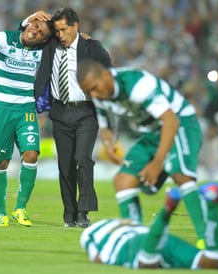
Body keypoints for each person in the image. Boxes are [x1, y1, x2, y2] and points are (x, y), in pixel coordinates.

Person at [77, 60, 206, 248]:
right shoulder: (99, 94)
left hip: (180, 124)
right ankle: (135, 237)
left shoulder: (137, 85)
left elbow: (170, 120)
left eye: (95, 88)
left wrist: (157, 163)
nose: (94, 95)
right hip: (151, 133)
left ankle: (206, 238)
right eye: (89, 92)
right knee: (122, 180)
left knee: (181, 175)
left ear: (105, 75)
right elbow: (105, 125)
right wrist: (109, 143)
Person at [23, 8, 112, 228]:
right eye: (57, 30)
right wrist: (31, 19)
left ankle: (84, 212)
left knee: (83, 159)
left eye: (64, 29)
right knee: (65, 166)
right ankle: (69, 214)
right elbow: (25, 36)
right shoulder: (51, 43)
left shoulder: (92, 47)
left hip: (85, 113)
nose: (60, 34)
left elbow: (110, 77)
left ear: (76, 26)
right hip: (60, 113)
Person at [0, 13, 54, 227]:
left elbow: (66, 38)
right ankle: (0, 213)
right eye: (35, 25)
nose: (35, 30)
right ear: (28, 24)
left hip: (25, 108)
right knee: (1, 162)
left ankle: (20, 208)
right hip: (0, 108)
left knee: (32, 154)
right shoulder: (4, 38)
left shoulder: (41, 50)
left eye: (41, 32)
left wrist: (82, 36)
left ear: (44, 40)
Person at [80, 180, 218, 269]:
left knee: (146, 263)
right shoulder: (131, 224)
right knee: (213, 261)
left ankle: (167, 209)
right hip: (154, 237)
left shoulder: (89, 233)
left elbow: (97, 259)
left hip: (132, 245)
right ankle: (213, 204)